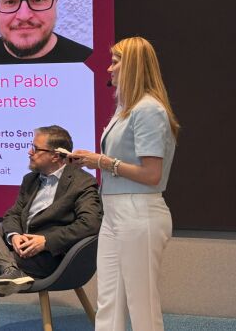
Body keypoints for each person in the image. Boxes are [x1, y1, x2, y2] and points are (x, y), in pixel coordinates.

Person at [68, 37, 180, 331]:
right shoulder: (126, 109)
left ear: (132, 65)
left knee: (142, 305)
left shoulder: (149, 110)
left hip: (139, 212)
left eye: (115, 61)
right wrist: (96, 160)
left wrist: (102, 162)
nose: (109, 68)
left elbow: (152, 174)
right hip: (115, 213)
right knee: (108, 301)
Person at [0, 125, 102, 331]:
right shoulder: (31, 180)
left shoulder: (82, 182)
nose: (29, 152)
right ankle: (11, 269)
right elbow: (13, 214)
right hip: (19, 247)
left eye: (35, 148)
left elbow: (90, 223)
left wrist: (46, 241)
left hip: (50, 256)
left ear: (55, 155)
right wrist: (14, 236)